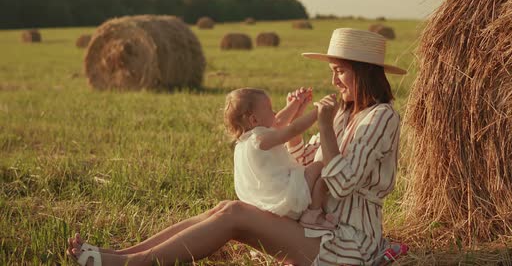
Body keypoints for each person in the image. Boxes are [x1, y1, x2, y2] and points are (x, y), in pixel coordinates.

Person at [67, 28, 408, 266]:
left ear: (363, 73)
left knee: (234, 214)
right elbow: (305, 160)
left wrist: (323, 124)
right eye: (333, 72)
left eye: (341, 72)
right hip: (315, 228)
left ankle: (134, 264)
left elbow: (343, 181)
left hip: (348, 242)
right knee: (224, 206)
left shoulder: (380, 118)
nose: (333, 81)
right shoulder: (343, 114)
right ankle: (124, 253)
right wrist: (302, 126)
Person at [225, 87, 338, 228]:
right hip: (289, 199)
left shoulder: (244, 142)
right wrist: (319, 112)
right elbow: (292, 130)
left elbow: (278, 121)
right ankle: (313, 214)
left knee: (313, 171)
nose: (275, 112)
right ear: (254, 120)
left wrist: (295, 104)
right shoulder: (259, 139)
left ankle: (311, 212)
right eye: (270, 109)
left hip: (274, 205)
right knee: (319, 166)